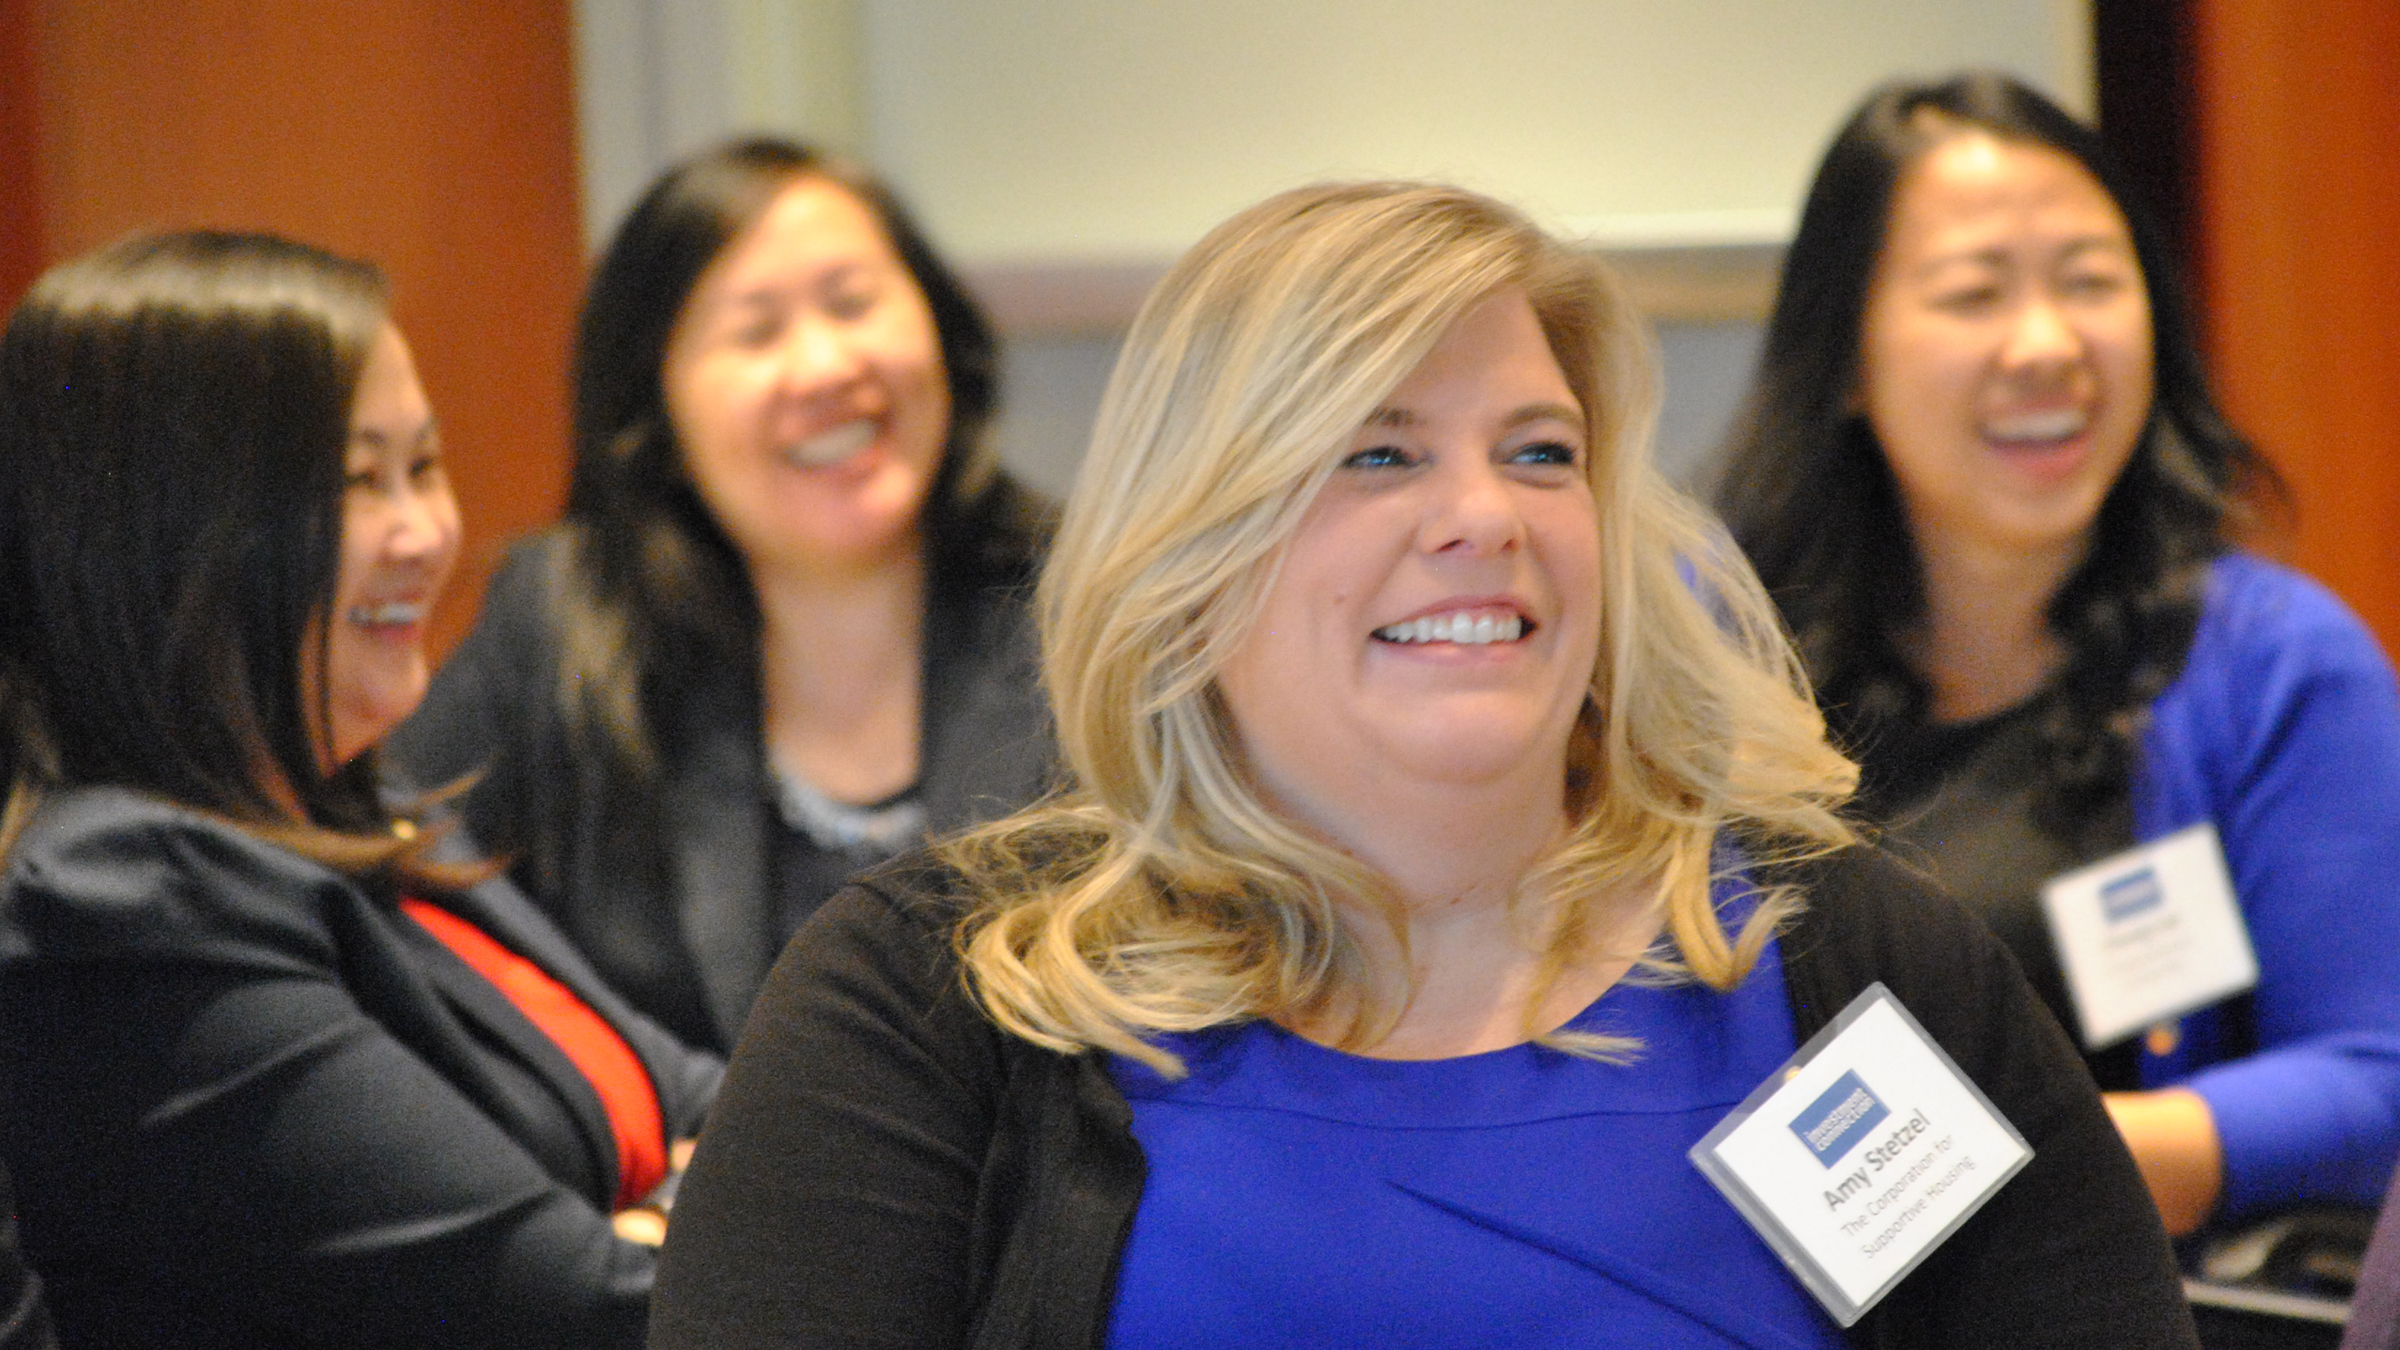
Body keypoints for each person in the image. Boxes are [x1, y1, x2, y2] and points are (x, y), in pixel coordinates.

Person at [652, 182, 2196, 1348]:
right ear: (1192, 556)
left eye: (1540, 451)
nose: (1488, 514)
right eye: (1379, 453)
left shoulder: (1849, 963)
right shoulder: (930, 1004)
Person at [0, 232, 720, 1348]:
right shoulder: (124, 905)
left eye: (424, 466)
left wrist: (651, 1219)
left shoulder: (359, 807)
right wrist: (654, 1225)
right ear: (165, 536)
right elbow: (586, 1318)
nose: (427, 533)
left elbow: (720, 1107)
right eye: (356, 482)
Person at [1713, 71, 2400, 1238]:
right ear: (1843, 360)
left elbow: (2374, 1079)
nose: (2047, 343)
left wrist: (1993, 1166)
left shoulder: (2273, 661)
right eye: (1975, 293)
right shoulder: (1706, 666)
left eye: (2091, 281)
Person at [388, 138, 1055, 1055]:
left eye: (854, 303)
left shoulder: (1096, 610)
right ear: (655, 411)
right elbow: (404, 899)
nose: (824, 366)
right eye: (755, 331)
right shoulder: (564, 623)